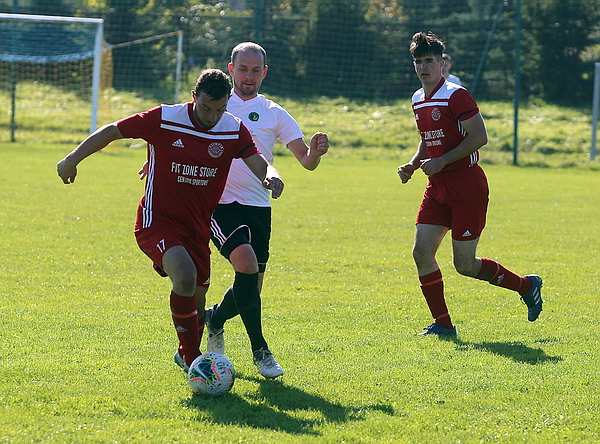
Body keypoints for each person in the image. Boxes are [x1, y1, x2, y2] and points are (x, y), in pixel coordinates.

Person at [57, 69, 284, 372]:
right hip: (157, 219)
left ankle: (186, 352)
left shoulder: (232, 128)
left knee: (197, 302)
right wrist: (71, 159)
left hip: (198, 227)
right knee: (185, 275)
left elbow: (257, 160)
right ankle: (193, 359)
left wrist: (270, 176)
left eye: (220, 109)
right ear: (194, 97)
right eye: (206, 108)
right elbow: (113, 130)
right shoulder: (166, 118)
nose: (212, 116)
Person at [397, 32, 542, 336]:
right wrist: (413, 163)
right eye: (418, 61)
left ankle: (527, 286)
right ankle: (443, 324)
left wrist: (442, 161)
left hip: (466, 185)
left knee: (464, 265)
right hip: (437, 186)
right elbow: (427, 138)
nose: (423, 67)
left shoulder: (456, 95)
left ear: (442, 63)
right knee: (421, 253)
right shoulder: (417, 98)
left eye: (429, 61)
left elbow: (479, 137)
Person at [206, 42, 329, 377]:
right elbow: (182, 133)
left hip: (258, 205)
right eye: (243, 69)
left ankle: (214, 318)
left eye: (255, 70)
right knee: (245, 265)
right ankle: (261, 351)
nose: (249, 76)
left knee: (252, 288)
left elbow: (305, 161)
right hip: (219, 204)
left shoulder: (274, 113)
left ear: (265, 72)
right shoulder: (214, 103)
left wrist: (315, 152)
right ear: (231, 69)